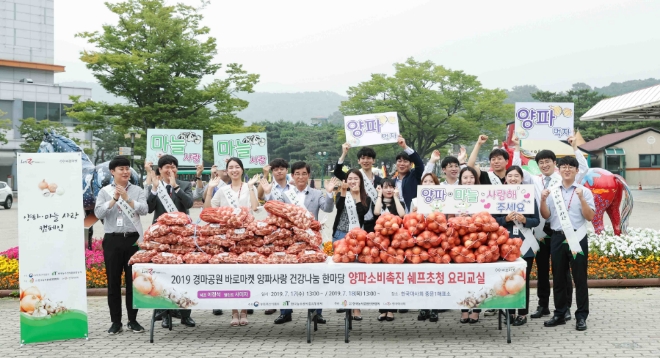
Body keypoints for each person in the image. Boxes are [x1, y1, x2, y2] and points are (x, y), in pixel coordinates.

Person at [510, 135, 588, 321]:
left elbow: (583, 168)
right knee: (543, 270)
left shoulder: (563, 178)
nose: (544, 165)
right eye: (541, 162)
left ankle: (566, 307)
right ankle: (543, 305)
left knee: (562, 272)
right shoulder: (535, 180)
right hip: (539, 231)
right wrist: (516, 149)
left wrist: (575, 148)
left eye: (548, 162)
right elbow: (517, 171)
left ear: (555, 163)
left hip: (560, 231)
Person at [261, 161, 337, 325]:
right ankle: (285, 311)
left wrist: (330, 194)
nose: (301, 177)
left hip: (311, 241)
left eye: (304, 173)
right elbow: (272, 209)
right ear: (292, 176)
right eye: (297, 174)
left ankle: (317, 311)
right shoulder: (284, 194)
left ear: (308, 175)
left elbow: (328, 209)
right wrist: (267, 194)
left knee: (316, 277)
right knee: (285, 276)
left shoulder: (317, 194)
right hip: (290, 240)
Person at [94, 156, 148, 335]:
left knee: (133, 283)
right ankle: (115, 322)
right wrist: (114, 199)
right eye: (121, 169)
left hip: (132, 240)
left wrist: (128, 199)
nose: (125, 172)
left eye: (127, 168)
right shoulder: (104, 191)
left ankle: (133, 320)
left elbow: (144, 209)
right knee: (113, 282)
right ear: (112, 171)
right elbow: (98, 212)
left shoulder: (138, 190)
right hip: (112, 240)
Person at [541, 157, 595, 331]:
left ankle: (581, 316)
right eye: (563, 166)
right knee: (558, 277)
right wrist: (542, 200)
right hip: (557, 237)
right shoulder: (552, 191)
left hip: (577, 238)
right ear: (559, 169)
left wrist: (582, 200)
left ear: (576, 170)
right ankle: (560, 313)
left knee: (580, 278)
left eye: (571, 167)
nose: (567, 169)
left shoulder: (584, 192)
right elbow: (546, 216)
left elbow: (590, 217)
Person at [208, 157, 259, 326]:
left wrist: (251, 188)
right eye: (231, 167)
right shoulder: (222, 190)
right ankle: (233, 312)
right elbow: (209, 209)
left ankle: (244, 311)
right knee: (230, 274)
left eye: (237, 167)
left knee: (245, 273)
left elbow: (255, 206)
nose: (234, 170)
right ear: (227, 171)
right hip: (228, 237)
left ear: (242, 169)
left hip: (246, 237)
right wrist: (210, 189)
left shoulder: (248, 187)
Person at [146, 155, 196, 329]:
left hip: (181, 238)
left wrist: (175, 186)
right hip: (160, 237)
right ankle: (165, 313)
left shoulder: (184, 185)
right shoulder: (156, 186)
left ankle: (185, 313)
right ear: (160, 170)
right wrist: (153, 189)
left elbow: (189, 203)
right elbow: (149, 208)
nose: (171, 169)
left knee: (184, 274)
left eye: (174, 166)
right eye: (167, 166)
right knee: (162, 275)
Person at [491, 166, 540, 326]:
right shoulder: (499, 198)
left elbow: (536, 220)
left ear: (521, 179)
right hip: (505, 244)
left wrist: (525, 220)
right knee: (507, 279)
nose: (513, 179)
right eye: (510, 176)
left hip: (525, 244)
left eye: (516, 176)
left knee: (523, 281)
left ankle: (523, 313)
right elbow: (493, 221)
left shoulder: (528, 197)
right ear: (505, 179)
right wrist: (505, 219)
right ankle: (509, 312)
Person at [332, 168, 371, 320]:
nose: (353, 181)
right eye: (350, 178)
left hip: (357, 238)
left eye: (356, 179)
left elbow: (362, 212)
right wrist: (343, 192)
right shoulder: (342, 194)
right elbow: (339, 207)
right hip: (340, 235)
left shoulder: (366, 197)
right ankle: (343, 301)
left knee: (355, 273)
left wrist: (356, 195)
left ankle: (356, 308)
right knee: (341, 272)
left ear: (361, 181)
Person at [372, 179, 405, 322]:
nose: (389, 190)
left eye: (392, 187)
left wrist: (396, 198)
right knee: (381, 279)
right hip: (381, 243)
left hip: (396, 243)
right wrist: (379, 195)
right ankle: (382, 309)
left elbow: (402, 215)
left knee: (393, 278)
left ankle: (391, 309)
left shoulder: (399, 202)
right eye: (386, 187)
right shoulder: (378, 201)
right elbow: (376, 212)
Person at [454, 166, 483, 323]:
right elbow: (449, 218)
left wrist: (472, 217)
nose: (468, 180)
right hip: (459, 241)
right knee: (462, 276)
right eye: (465, 178)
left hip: (477, 241)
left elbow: (487, 219)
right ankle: (464, 309)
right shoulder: (454, 196)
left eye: (471, 177)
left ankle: (476, 310)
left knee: (476, 276)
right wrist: (459, 218)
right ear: (460, 180)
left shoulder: (482, 195)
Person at [334, 144, 382, 232]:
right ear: (358, 161)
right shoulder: (353, 179)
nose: (366, 161)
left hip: (373, 223)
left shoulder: (380, 181)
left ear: (373, 160)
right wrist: (344, 153)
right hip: (356, 223)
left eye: (369, 158)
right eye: (363, 158)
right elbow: (337, 172)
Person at [393, 135, 425, 213]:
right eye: (399, 161)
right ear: (396, 163)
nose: (402, 164)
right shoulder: (391, 181)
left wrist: (405, 146)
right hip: (395, 219)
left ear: (411, 164)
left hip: (413, 217)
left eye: (405, 161)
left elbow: (419, 164)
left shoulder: (414, 176)